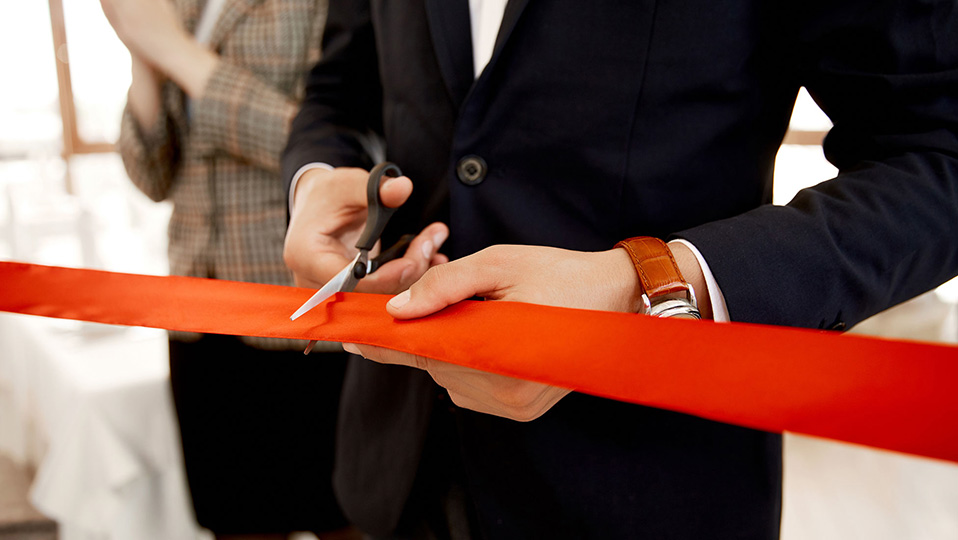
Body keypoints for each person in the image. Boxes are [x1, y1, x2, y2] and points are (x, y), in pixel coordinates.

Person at [282, 1, 958, 538]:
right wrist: (313, 181)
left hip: (649, 483)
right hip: (398, 467)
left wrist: (648, 283)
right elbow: (339, 90)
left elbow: (937, 159)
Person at [101, 0, 357, 538]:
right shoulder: (181, 5)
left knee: (340, 515)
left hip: (298, 310)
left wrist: (176, 51)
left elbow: (328, 145)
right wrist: (143, 55)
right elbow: (152, 178)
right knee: (231, 520)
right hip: (197, 315)